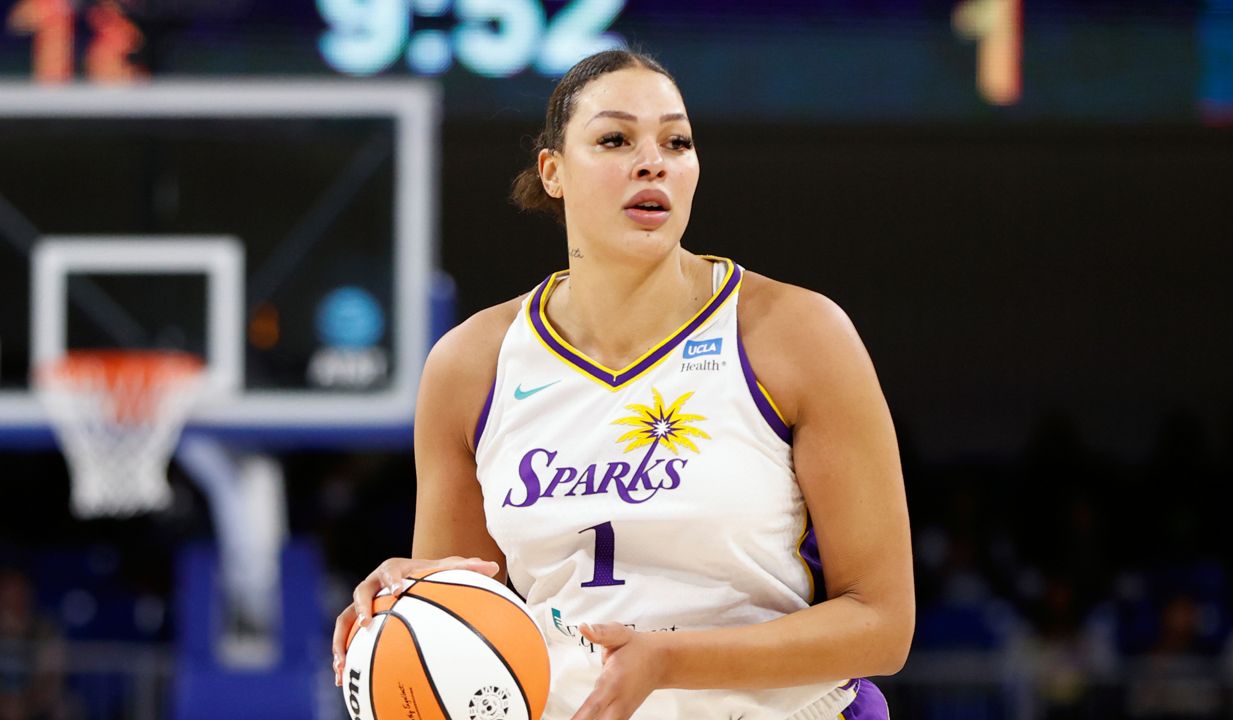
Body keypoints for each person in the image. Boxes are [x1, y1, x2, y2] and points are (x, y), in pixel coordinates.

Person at [332, 48, 914, 720]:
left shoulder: (797, 333)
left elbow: (883, 625)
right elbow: (466, 624)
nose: (653, 161)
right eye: (615, 139)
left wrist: (670, 661)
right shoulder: (471, 365)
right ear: (553, 171)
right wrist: (407, 608)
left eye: (677, 141)